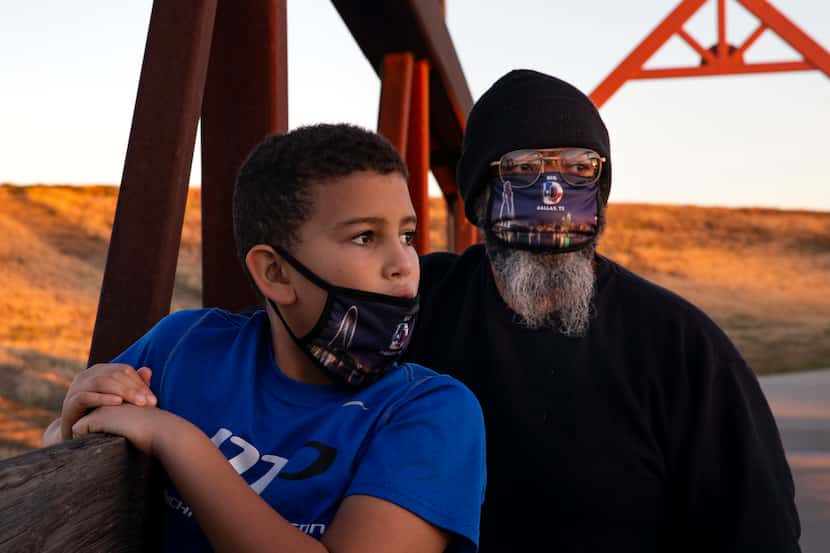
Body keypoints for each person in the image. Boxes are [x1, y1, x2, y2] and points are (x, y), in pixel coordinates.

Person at [402, 69, 800, 552]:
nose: (553, 193)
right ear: (479, 199)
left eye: (579, 168)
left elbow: (759, 534)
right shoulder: (418, 308)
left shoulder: (681, 347)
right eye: (523, 169)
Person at [42, 124, 486, 553]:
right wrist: (77, 411)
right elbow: (65, 445)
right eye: (365, 237)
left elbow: (154, 431)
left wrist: (179, 441)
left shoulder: (433, 412)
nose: (405, 264)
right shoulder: (185, 346)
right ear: (275, 273)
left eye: (406, 235)